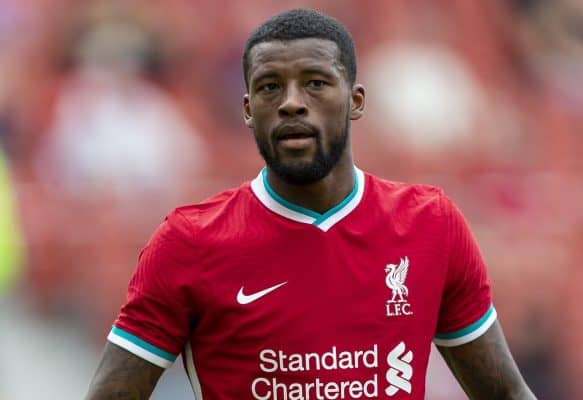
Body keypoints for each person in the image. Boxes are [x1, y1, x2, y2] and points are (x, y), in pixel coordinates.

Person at [85, 8, 536, 400]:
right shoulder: (190, 242)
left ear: (355, 100)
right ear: (247, 110)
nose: (292, 104)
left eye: (316, 83)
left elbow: (505, 392)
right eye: (269, 88)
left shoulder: (430, 226)